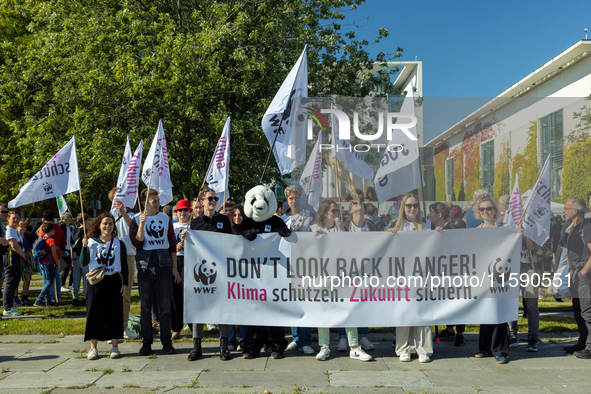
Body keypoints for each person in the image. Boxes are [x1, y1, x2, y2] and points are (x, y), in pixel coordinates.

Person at [310, 200, 371, 362]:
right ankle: (324, 347)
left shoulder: (342, 228)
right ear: (324, 213)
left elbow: (350, 248)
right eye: (334, 211)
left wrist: (342, 231)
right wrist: (316, 239)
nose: (337, 214)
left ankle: (354, 347)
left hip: (342, 277)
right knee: (324, 311)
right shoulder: (313, 229)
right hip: (322, 278)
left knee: (348, 309)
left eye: (337, 211)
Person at [130, 188, 181, 356]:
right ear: (145, 203)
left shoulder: (165, 218)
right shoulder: (137, 219)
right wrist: (142, 225)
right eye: (154, 201)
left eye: (158, 200)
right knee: (145, 307)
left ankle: (166, 342)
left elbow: (172, 244)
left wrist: (174, 267)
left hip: (164, 266)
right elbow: (137, 244)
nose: (158, 204)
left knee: (165, 306)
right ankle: (147, 342)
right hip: (145, 267)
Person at [188, 186, 232, 361]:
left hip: (221, 270)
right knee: (198, 307)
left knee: (222, 307)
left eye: (215, 199)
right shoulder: (195, 222)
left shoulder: (224, 220)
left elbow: (230, 243)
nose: (213, 201)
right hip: (201, 271)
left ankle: (224, 346)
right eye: (210, 199)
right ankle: (197, 346)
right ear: (202, 202)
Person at [389, 194, 433, 363]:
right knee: (404, 312)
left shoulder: (427, 225)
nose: (412, 208)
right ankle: (403, 348)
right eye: (408, 206)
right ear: (403, 208)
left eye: (415, 205)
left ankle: (423, 349)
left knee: (422, 312)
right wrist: (390, 235)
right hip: (402, 275)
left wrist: (438, 234)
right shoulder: (396, 226)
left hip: (422, 275)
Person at [80, 212, 128, 360]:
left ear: (114, 226)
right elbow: (83, 262)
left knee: (115, 313)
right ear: (99, 225)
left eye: (110, 223)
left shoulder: (119, 244)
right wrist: (84, 247)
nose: (107, 226)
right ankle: (93, 348)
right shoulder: (91, 241)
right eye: (105, 223)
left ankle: (115, 347)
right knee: (94, 313)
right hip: (96, 282)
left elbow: (125, 266)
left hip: (113, 280)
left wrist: (125, 283)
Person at [473, 196, 509, 364]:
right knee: (485, 312)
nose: (485, 211)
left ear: (495, 210)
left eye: (488, 208)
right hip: (482, 276)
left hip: (501, 276)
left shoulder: (505, 228)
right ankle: (485, 347)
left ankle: (499, 350)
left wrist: (519, 234)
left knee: (499, 312)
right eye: (482, 209)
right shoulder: (476, 231)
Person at [508, 225, 552, 352]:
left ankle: (533, 339)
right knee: (511, 303)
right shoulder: (510, 225)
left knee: (531, 305)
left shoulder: (540, 228)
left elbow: (548, 251)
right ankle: (512, 335)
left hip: (531, 269)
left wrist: (534, 247)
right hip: (512, 269)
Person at [339, 198, 375, 351]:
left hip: (366, 271)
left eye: (360, 202)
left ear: (365, 210)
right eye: (354, 203)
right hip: (347, 271)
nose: (357, 204)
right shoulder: (345, 226)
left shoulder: (372, 227)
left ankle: (363, 335)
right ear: (350, 211)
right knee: (346, 303)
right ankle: (343, 337)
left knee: (363, 302)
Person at [429, 202, 466, 346]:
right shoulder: (432, 228)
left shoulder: (451, 228)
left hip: (452, 272)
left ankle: (459, 333)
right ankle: (449, 330)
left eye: (431, 212)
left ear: (439, 215)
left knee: (455, 301)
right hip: (439, 271)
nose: (429, 215)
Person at [108, 188, 140, 340]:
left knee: (126, 296)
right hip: (112, 258)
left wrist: (123, 212)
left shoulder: (133, 216)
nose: (119, 201)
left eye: (121, 198)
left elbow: (133, 228)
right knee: (112, 296)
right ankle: (111, 329)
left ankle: (124, 327)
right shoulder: (109, 218)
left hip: (128, 257)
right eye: (116, 198)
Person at [562, 198, 591, 358]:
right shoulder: (573, 227)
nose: (563, 211)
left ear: (575, 211)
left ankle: (590, 347)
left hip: (583, 275)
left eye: (566, 208)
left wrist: (584, 273)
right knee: (578, 310)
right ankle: (583, 342)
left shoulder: (587, 227)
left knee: (587, 311)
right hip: (575, 273)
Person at [171, 199, 191, 341]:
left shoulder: (193, 226)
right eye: (180, 210)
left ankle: (193, 324)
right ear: (176, 212)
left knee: (190, 293)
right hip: (175, 260)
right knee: (175, 294)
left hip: (190, 261)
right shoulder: (171, 227)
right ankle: (176, 328)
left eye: (185, 210)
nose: (182, 213)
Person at [228, 205, 246, 351]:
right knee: (230, 308)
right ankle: (230, 340)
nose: (237, 217)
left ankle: (242, 339)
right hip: (229, 274)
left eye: (240, 215)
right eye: (235, 215)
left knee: (242, 309)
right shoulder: (227, 232)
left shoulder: (248, 231)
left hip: (245, 275)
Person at [3, 211, 27, 316]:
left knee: (14, 282)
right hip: (11, 257)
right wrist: (24, 256)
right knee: (10, 282)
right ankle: (7, 308)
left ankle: (10, 305)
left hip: (17, 257)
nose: (16, 220)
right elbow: (14, 245)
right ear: (8, 219)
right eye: (13, 218)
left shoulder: (14, 230)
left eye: (17, 218)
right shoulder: (8, 230)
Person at [34, 222, 60, 307]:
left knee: (46, 282)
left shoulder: (43, 239)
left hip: (42, 263)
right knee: (49, 283)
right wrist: (57, 262)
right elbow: (54, 254)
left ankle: (47, 300)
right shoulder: (51, 240)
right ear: (51, 230)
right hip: (49, 264)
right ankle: (39, 299)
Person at [71, 213, 90, 306]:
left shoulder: (73, 231)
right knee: (86, 277)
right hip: (84, 256)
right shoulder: (86, 231)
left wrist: (71, 258)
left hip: (74, 257)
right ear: (85, 221)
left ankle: (75, 297)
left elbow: (71, 245)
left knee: (76, 278)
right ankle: (86, 297)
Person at [17, 220, 34, 305]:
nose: (23, 228)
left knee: (27, 279)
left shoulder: (28, 237)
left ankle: (25, 296)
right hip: (17, 259)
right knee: (16, 279)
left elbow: (30, 249)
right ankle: (15, 298)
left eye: (25, 227)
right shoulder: (15, 236)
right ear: (17, 228)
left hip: (26, 259)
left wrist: (31, 259)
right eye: (21, 227)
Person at [59, 213, 74, 293]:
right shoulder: (62, 226)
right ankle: (62, 285)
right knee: (65, 267)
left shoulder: (69, 227)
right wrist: (60, 248)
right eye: (70, 217)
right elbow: (60, 237)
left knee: (69, 267)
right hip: (63, 249)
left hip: (68, 249)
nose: (72, 219)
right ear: (66, 218)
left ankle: (70, 284)